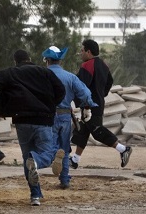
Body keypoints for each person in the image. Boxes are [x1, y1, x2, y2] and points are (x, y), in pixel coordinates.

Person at [0, 49, 65, 206]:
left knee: (27, 159)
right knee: (48, 155)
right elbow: (61, 91)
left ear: (15, 61)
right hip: (43, 120)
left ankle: (35, 196)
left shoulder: (9, 73)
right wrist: (50, 105)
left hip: (22, 120)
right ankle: (36, 161)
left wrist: (0, 110)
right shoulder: (45, 72)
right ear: (30, 59)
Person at [70, 39, 133, 169]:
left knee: (96, 130)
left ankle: (123, 149)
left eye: (82, 50)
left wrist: (81, 102)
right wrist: (101, 94)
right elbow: (110, 81)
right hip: (97, 103)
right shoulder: (103, 65)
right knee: (82, 132)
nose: (80, 53)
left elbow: (82, 87)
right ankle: (75, 160)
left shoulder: (87, 65)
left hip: (89, 105)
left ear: (88, 51)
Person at [42, 46, 98, 189]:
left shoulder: (41, 75)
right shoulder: (70, 77)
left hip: (48, 115)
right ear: (60, 60)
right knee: (65, 148)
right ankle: (65, 179)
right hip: (66, 114)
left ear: (47, 60)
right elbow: (85, 94)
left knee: (51, 145)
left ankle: (55, 155)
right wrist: (87, 106)